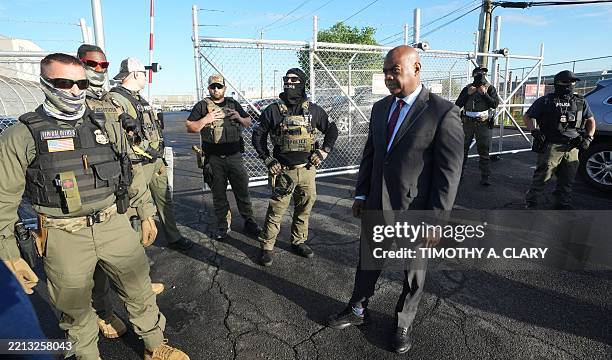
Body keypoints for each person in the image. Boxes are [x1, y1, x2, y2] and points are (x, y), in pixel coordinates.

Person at [0, 53, 188, 359]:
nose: (75, 90)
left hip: (113, 223)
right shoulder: (22, 135)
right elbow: (3, 199)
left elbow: (128, 171)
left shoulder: (106, 123)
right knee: (75, 311)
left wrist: (145, 210)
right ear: (45, 83)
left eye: (81, 83)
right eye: (64, 83)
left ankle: (155, 346)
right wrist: (8, 253)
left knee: (139, 290)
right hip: (63, 236)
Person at [326, 46, 464, 354]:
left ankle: (403, 323)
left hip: (416, 210)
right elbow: (372, 156)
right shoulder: (380, 108)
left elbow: (449, 174)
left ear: (417, 68)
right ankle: (358, 309)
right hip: (376, 202)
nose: (388, 77)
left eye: (395, 71)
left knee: (413, 271)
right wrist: (362, 193)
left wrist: (437, 219)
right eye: (386, 70)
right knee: (368, 261)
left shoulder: (442, 112)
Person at [76, 44, 164, 340]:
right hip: (85, 201)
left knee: (125, 257)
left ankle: (145, 329)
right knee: (92, 271)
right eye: (92, 64)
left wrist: (144, 208)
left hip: (116, 195)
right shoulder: (66, 110)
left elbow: (126, 158)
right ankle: (101, 313)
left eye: (103, 65)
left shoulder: (105, 104)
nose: (98, 70)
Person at [252, 68, 338, 266]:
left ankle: (298, 241)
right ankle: (266, 247)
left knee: (304, 208)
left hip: (307, 170)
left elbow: (332, 129)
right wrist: (267, 159)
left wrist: (324, 151)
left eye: (294, 79)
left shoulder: (313, 110)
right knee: (276, 211)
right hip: (283, 172)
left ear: (302, 83)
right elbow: (258, 136)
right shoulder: (273, 110)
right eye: (286, 79)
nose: (289, 82)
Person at [110, 58, 193, 251]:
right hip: (138, 163)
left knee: (164, 200)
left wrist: (158, 154)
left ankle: (173, 237)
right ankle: (137, 250)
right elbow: (127, 136)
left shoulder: (138, 98)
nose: (146, 77)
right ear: (135, 74)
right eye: (144, 73)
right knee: (138, 208)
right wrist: (150, 151)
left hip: (154, 160)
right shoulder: (116, 99)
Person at [186, 74, 262, 240]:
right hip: (214, 159)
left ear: (224, 88)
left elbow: (249, 122)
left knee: (242, 190)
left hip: (235, 157)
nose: (216, 89)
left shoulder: (233, 104)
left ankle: (249, 220)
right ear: (208, 88)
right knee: (219, 194)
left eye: (219, 86)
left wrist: (239, 117)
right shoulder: (202, 106)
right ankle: (223, 224)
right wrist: (206, 119)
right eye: (213, 86)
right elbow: (190, 127)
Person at [524, 70, 596, 209]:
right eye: (565, 82)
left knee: (568, 178)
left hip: (573, 146)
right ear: (557, 83)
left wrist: (589, 137)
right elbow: (528, 116)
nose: (569, 85)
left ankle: (562, 202)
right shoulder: (546, 100)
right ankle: (532, 201)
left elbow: (591, 120)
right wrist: (534, 131)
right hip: (551, 145)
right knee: (543, 176)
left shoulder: (580, 101)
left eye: (572, 82)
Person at [455, 66, 500, 185]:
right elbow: (458, 104)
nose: (481, 77)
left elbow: (494, 104)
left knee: (484, 150)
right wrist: (468, 94)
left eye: (483, 74)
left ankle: (485, 176)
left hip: (483, 123)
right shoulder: (468, 88)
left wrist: (484, 94)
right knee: (462, 150)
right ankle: (459, 174)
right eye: (478, 74)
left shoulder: (489, 88)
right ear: (473, 75)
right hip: (467, 122)